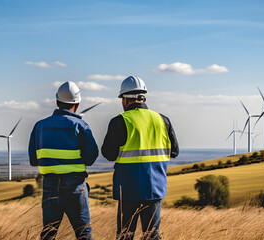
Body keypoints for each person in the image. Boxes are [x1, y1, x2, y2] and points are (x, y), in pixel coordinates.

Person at [101, 76, 179, 240]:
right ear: (143, 96)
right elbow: (174, 152)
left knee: (125, 236)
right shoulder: (163, 120)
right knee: (152, 235)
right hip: (154, 189)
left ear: (124, 100)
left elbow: (108, 154)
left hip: (128, 191)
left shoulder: (120, 121)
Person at [29, 81, 99, 240]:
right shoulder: (81, 125)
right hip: (75, 186)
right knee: (83, 233)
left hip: (49, 186)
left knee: (48, 233)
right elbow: (91, 158)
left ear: (56, 102)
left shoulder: (39, 126)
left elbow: (33, 160)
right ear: (78, 103)